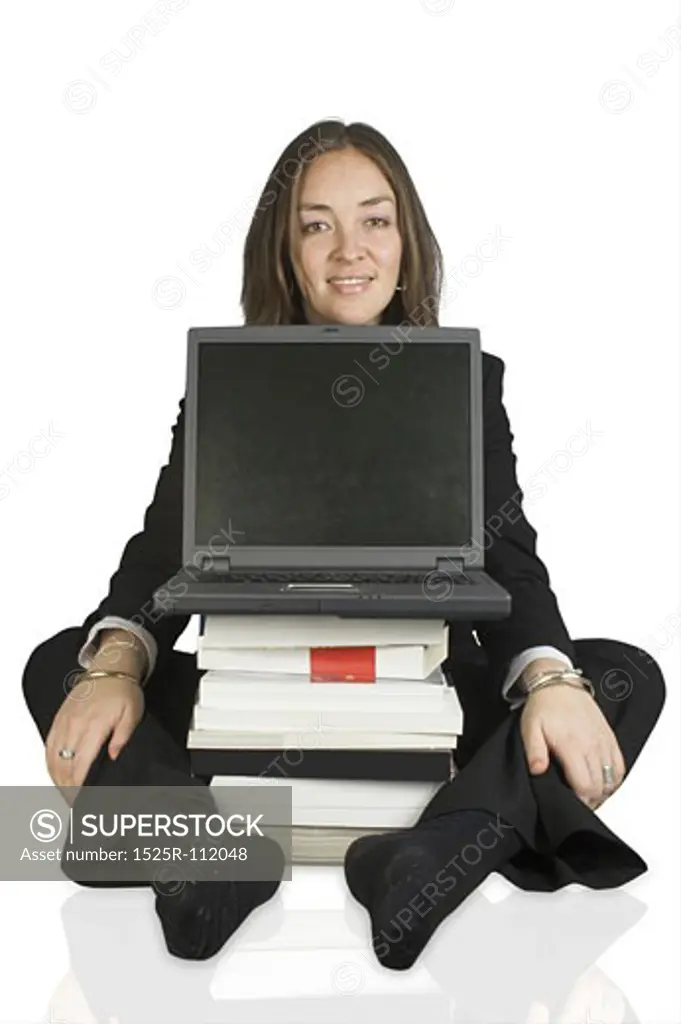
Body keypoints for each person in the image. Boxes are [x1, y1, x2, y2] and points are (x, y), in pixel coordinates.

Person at [22, 118, 667, 971]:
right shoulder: (227, 381)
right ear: (283, 250)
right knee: (58, 661)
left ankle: (421, 855)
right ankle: (242, 858)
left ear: (408, 240)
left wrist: (551, 680)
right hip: (247, 695)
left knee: (623, 672)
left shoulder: (468, 384)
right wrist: (113, 666)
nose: (347, 251)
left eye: (374, 219)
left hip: (417, 694)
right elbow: (161, 551)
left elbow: (509, 557)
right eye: (316, 224)